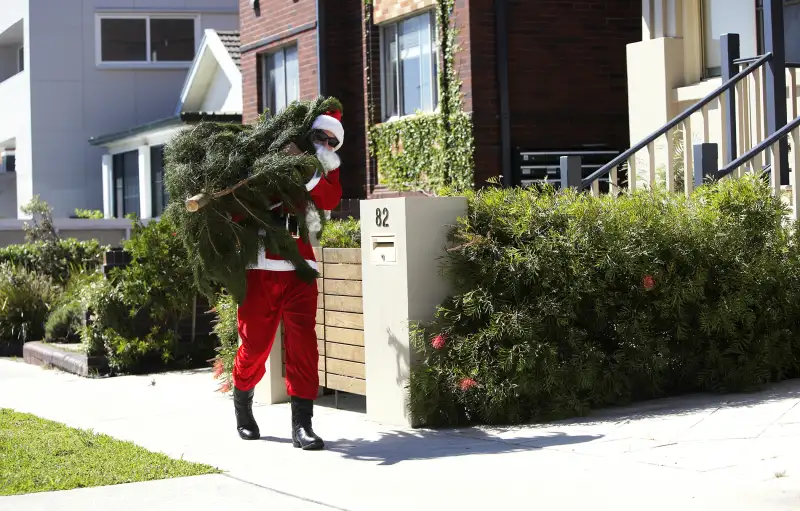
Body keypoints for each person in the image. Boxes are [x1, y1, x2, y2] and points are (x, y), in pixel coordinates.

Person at [231, 109, 344, 450]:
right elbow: (236, 207)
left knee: (303, 348)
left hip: (300, 271)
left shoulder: (324, 170)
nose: (327, 144)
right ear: (307, 135)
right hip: (259, 269)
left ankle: (302, 425)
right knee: (254, 346)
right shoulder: (266, 158)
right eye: (321, 138)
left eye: (333, 141)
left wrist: (305, 167)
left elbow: (329, 198)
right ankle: (242, 403)